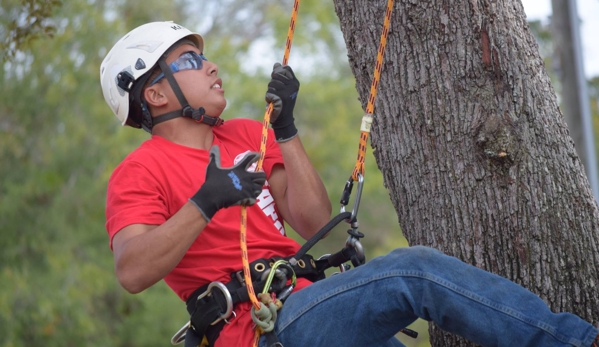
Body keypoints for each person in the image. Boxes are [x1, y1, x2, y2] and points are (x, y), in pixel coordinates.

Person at [100, 21, 599, 347]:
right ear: (157, 92)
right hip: (257, 331)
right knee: (415, 271)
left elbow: (315, 222)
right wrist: (207, 201)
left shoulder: (248, 134)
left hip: (310, 304)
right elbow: (132, 270)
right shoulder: (140, 172)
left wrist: (286, 131)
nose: (210, 65)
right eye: (189, 60)